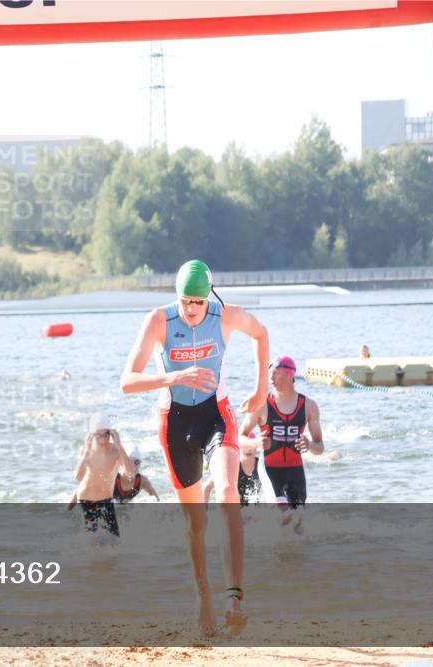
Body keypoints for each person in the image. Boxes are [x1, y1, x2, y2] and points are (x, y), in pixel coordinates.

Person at [119, 259, 269, 637]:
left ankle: (234, 596)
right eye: (185, 301)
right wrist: (174, 376)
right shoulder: (159, 320)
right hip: (176, 424)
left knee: (228, 491)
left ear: (208, 299)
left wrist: (261, 389)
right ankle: (203, 597)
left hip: (216, 415)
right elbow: (127, 381)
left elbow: (261, 334)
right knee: (195, 522)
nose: (190, 309)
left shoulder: (226, 316)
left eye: (197, 302)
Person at [239, 356, 325, 513]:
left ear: (290, 375)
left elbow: (320, 448)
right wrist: (256, 443)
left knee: (298, 523)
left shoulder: (309, 406)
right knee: (282, 513)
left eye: (276, 373)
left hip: (295, 470)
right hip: (270, 468)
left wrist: (310, 445)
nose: (271, 378)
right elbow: (239, 438)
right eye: (270, 373)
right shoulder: (262, 405)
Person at [69, 415, 135, 537]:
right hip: (87, 499)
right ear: (93, 435)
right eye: (99, 435)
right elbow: (78, 477)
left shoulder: (116, 450)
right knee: (92, 540)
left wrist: (120, 446)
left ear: (111, 434)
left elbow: (130, 473)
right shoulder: (87, 451)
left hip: (106, 499)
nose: (103, 438)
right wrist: (85, 454)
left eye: (106, 434)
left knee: (114, 539)